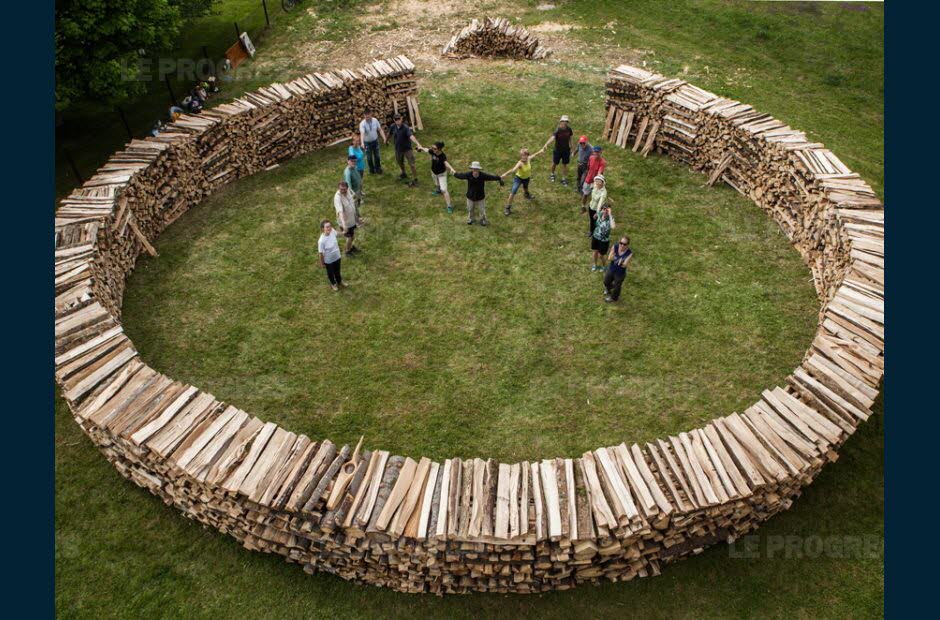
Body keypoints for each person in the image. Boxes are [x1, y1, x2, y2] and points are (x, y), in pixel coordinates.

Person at [453, 161, 504, 226]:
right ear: (472, 169)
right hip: (470, 196)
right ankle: (471, 219)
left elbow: (491, 177)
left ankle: (483, 220)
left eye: (477, 169)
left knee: (482, 210)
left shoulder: (483, 175)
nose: (475, 171)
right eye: (474, 169)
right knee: (470, 209)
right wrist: (454, 173)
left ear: (479, 170)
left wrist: (499, 178)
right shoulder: (468, 174)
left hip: (480, 197)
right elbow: (461, 176)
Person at [500, 147, 546, 216]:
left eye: (524, 155)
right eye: (521, 155)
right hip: (518, 179)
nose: (523, 157)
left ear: (527, 155)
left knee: (526, 188)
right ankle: (507, 208)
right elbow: (513, 170)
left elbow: (535, 154)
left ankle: (527, 195)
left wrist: (541, 151)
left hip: (527, 178)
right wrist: (505, 174)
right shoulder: (520, 163)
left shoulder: (529, 159)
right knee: (513, 191)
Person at [417, 141, 454, 213]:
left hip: (441, 174)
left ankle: (449, 206)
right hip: (433, 172)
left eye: (434, 148)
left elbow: (446, 163)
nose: (432, 149)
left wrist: (451, 168)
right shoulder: (432, 151)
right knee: (436, 183)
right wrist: (421, 148)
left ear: (439, 149)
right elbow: (427, 150)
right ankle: (438, 190)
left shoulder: (442, 156)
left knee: (444, 190)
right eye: (432, 147)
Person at [386, 114, 422, 186]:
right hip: (398, 149)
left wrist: (418, 143)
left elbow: (411, 136)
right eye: (396, 119)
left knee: (412, 164)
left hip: (407, 149)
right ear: (394, 120)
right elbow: (389, 134)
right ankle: (403, 173)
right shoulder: (393, 126)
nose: (398, 121)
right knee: (400, 162)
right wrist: (386, 140)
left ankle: (415, 179)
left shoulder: (405, 128)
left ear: (401, 119)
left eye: (399, 119)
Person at [542, 114, 574, 186]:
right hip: (558, 150)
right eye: (563, 121)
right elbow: (552, 138)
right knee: (555, 163)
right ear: (561, 121)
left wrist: (572, 148)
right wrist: (546, 144)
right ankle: (552, 174)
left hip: (566, 150)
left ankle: (564, 178)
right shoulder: (558, 130)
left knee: (564, 164)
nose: (565, 122)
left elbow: (571, 139)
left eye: (566, 121)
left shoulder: (569, 129)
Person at [318, 220, 346, 291]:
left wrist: (343, 233)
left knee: (337, 271)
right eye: (327, 227)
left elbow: (337, 233)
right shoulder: (321, 241)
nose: (329, 228)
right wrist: (322, 263)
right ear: (322, 229)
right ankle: (333, 284)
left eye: (330, 226)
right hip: (329, 260)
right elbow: (320, 253)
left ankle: (339, 281)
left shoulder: (332, 231)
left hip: (337, 256)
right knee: (331, 273)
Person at [333, 181, 360, 256]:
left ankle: (351, 247)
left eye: (344, 189)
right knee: (349, 237)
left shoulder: (348, 191)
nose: (343, 191)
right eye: (341, 189)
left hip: (352, 219)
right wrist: (344, 225)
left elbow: (353, 199)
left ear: (347, 188)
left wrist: (357, 217)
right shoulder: (337, 198)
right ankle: (347, 251)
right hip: (345, 222)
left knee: (353, 235)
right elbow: (340, 212)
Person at [604, 236, 633, 303]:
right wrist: (617, 259)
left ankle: (613, 298)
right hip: (611, 269)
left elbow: (624, 265)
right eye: (621, 243)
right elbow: (609, 258)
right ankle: (609, 289)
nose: (622, 245)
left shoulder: (629, 253)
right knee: (606, 281)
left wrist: (621, 262)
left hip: (620, 273)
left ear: (627, 245)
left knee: (617, 287)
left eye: (624, 244)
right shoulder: (615, 247)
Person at [359, 108, 386, 174]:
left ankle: (378, 168)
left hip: (375, 141)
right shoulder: (362, 124)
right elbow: (362, 134)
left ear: (371, 114)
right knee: (369, 157)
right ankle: (371, 170)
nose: (367, 116)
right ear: (364, 115)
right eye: (365, 115)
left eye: (368, 114)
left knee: (377, 156)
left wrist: (384, 138)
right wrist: (362, 143)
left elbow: (380, 129)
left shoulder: (375, 120)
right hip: (367, 143)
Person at [580, 146, 607, 211]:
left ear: (601, 152)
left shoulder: (603, 162)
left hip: (595, 181)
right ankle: (583, 206)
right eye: (595, 152)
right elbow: (588, 167)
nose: (596, 153)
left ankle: (595, 209)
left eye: (598, 152)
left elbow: (599, 172)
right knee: (585, 193)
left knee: (596, 196)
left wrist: (597, 181)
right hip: (588, 179)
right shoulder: (591, 158)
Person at [591, 202, 616, 272]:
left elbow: (613, 227)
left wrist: (610, 215)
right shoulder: (600, 214)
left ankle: (604, 266)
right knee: (595, 252)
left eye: (607, 210)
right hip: (595, 236)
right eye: (604, 209)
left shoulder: (611, 218)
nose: (605, 211)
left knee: (601, 255)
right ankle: (594, 264)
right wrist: (597, 214)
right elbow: (594, 217)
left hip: (604, 240)